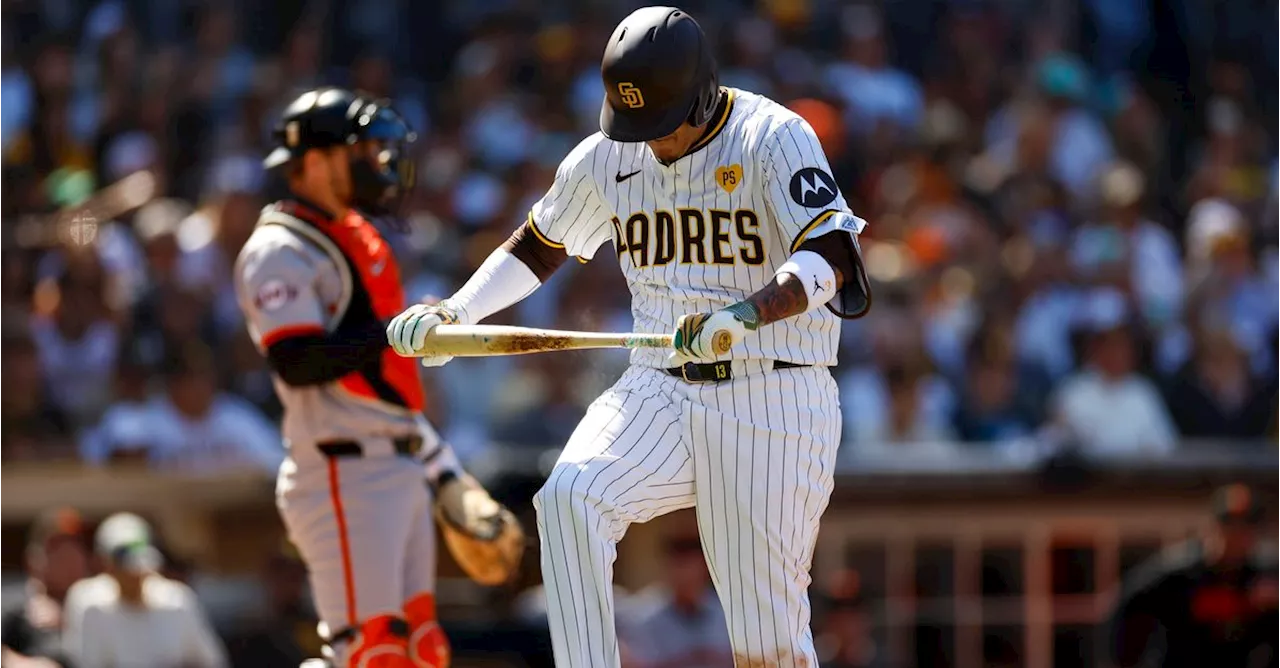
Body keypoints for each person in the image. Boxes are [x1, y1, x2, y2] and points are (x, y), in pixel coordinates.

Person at [388, 7, 872, 666]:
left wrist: (746, 315)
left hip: (773, 390)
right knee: (568, 500)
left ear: (702, 94)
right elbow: (538, 247)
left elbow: (832, 256)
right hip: (658, 384)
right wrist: (456, 311)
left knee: (767, 639)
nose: (648, 138)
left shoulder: (772, 135)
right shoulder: (614, 151)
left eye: (659, 120)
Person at [235, 87, 520, 668]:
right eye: (361, 150)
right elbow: (298, 360)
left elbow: (389, 390)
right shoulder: (277, 248)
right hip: (342, 470)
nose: (379, 163)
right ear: (312, 161)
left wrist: (443, 470)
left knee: (422, 649)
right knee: (373, 653)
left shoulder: (359, 236)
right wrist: (396, 330)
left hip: (396, 463)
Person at [1106, 484, 1280, 667]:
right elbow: (1128, 607)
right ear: (1214, 528)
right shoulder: (1176, 573)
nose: (1238, 536)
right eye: (1231, 526)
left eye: (1246, 528)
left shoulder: (1263, 576)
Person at [61, 512, 227, 668]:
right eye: (126, 570)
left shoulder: (177, 599)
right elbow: (80, 661)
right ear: (107, 565)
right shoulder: (87, 602)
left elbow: (211, 661)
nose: (136, 577)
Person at [620, 532, 733, 668]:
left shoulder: (728, 614)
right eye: (679, 566)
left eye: (690, 567)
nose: (685, 575)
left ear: (705, 568)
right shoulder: (645, 617)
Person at [0, 507, 90, 667]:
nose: (69, 557)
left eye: (75, 549)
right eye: (57, 550)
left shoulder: (96, 602)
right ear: (33, 559)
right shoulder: (11, 601)